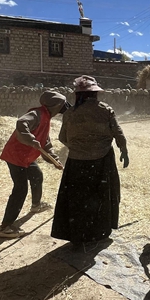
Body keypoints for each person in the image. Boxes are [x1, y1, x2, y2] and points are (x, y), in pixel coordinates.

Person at [52, 76, 129, 244]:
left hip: (76, 161)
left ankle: (78, 234)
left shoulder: (70, 113)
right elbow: (118, 133)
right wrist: (123, 150)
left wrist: (78, 147)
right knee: (102, 195)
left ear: (77, 95)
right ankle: (100, 231)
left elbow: (62, 137)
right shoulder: (105, 109)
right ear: (95, 94)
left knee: (78, 197)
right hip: (102, 160)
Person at [0, 91, 68, 238]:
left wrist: (54, 158)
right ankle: (5, 227)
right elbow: (21, 123)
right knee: (20, 189)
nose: (63, 109)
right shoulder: (37, 114)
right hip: (16, 156)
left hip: (26, 158)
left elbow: (45, 142)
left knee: (37, 176)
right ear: (54, 106)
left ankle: (36, 205)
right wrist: (30, 138)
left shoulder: (46, 118)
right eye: (61, 106)